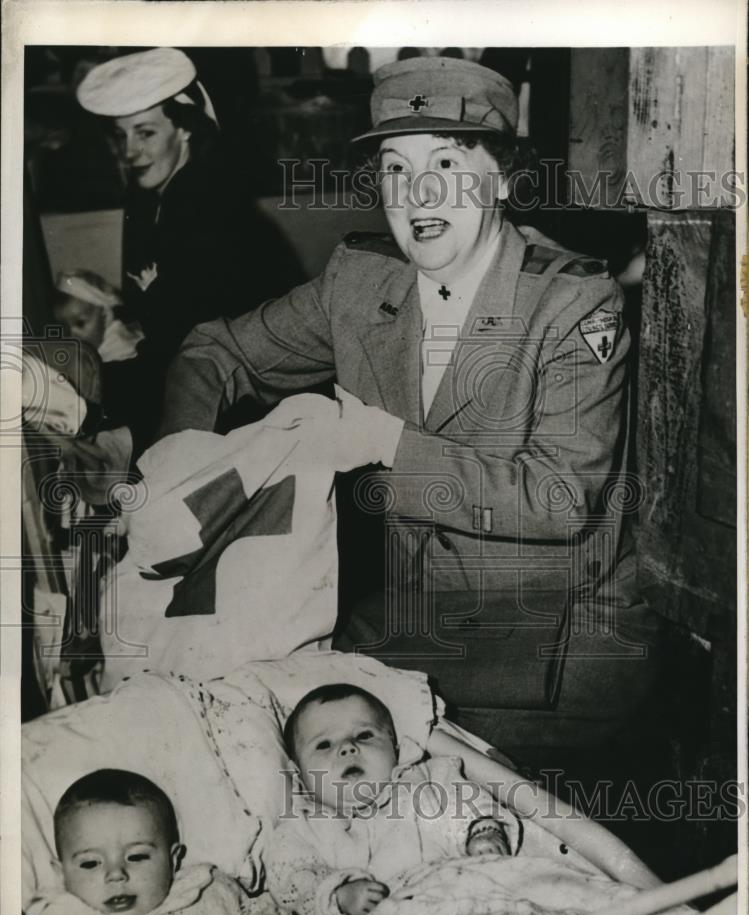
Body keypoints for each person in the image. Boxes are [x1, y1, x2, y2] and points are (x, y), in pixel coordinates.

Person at [157, 55, 657, 728]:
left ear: (502, 177)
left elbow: (560, 499)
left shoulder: (571, 301)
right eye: (396, 169)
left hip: (549, 642)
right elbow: (211, 350)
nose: (417, 195)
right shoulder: (362, 282)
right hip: (412, 622)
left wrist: (382, 442)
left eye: (446, 166)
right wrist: (180, 473)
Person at [75, 47, 303, 452]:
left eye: (145, 133)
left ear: (185, 129)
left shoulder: (206, 209)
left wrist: (89, 389)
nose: (129, 152)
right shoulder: (151, 200)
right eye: (121, 135)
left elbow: (195, 356)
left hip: (251, 410)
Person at [265, 684, 520, 915]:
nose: (348, 748)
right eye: (324, 744)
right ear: (297, 774)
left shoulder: (424, 783)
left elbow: (461, 802)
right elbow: (293, 877)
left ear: (394, 748)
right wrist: (337, 895)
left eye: (364, 735)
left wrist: (481, 830)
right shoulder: (300, 828)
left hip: (452, 906)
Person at [25, 769, 288, 915]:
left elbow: (265, 910)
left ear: (173, 860)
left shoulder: (204, 890)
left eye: (136, 856)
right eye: (91, 863)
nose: (116, 874)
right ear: (61, 874)